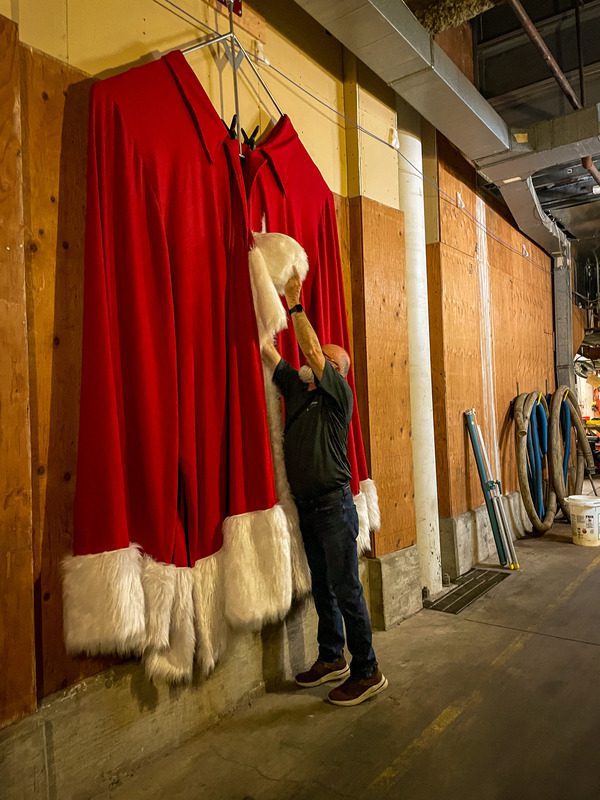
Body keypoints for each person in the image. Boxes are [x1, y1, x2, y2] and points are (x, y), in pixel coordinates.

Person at [261, 272, 387, 707]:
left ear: (337, 372)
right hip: (310, 507)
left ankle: (367, 669)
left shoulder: (339, 396)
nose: (314, 363)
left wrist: (295, 305)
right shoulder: (297, 392)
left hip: (335, 506)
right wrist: (254, 307)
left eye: (325, 361)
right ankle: (333, 657)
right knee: (323, 587)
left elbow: (311, 349)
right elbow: (268, 351)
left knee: (346, 587)